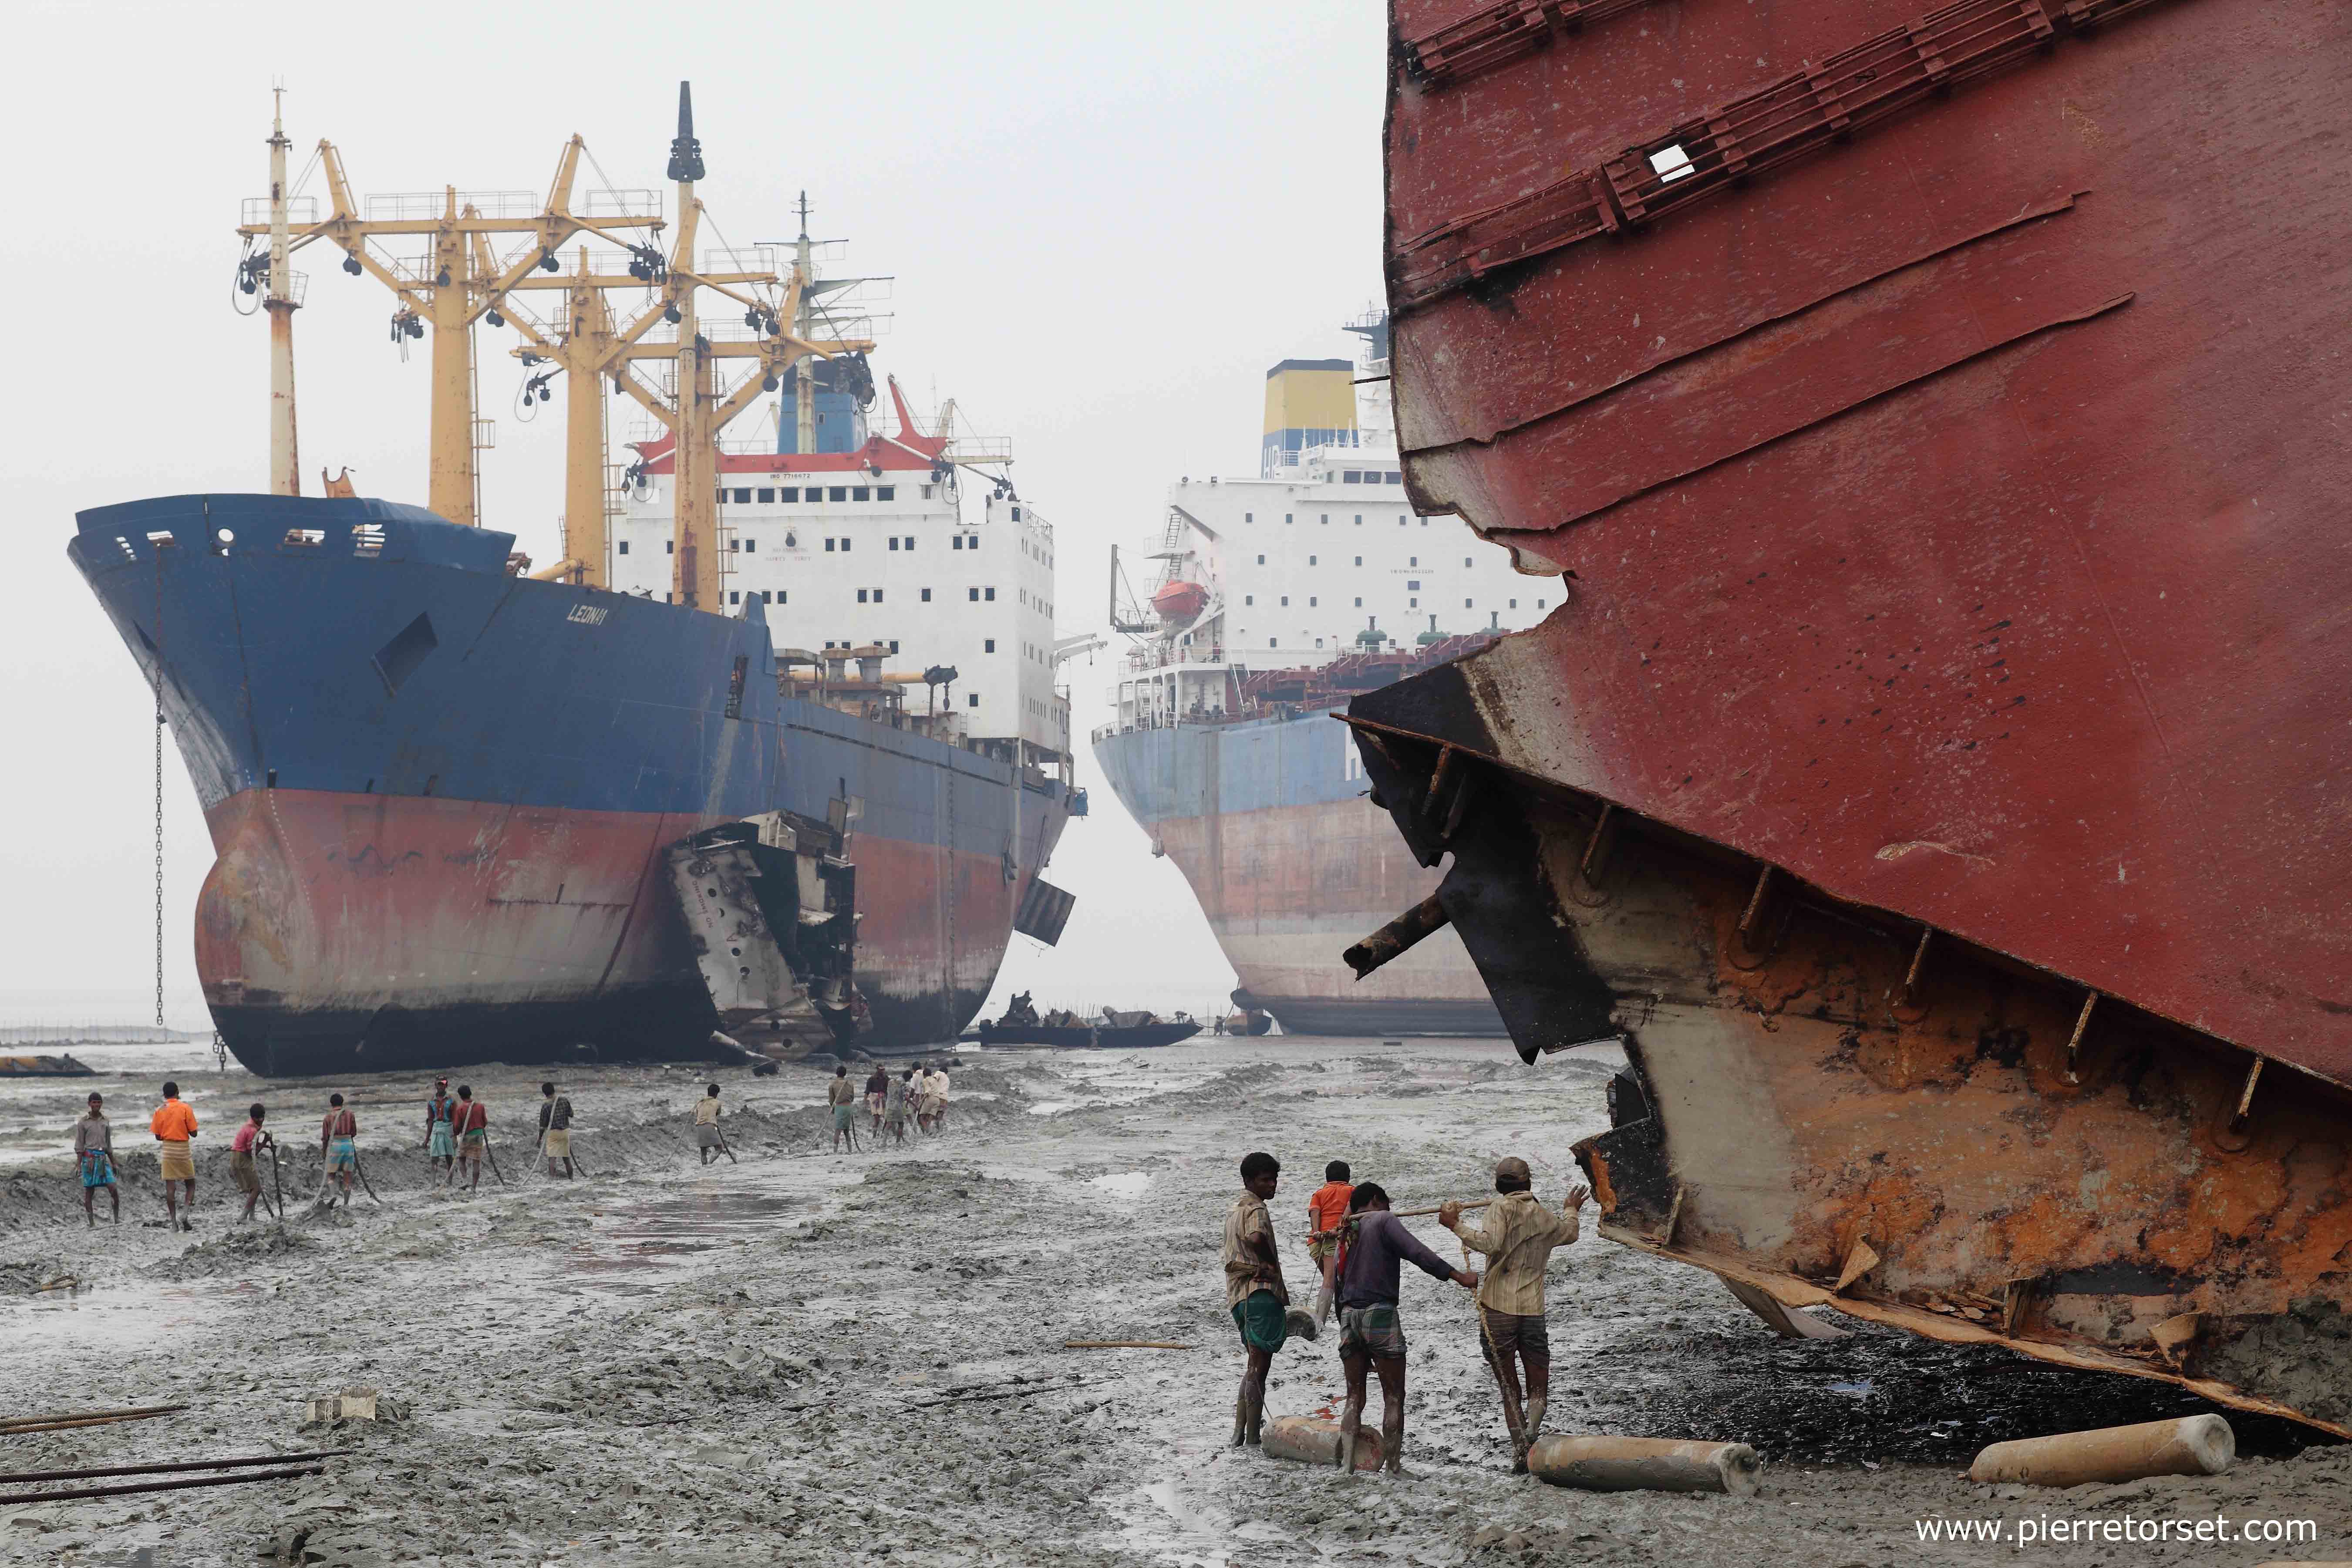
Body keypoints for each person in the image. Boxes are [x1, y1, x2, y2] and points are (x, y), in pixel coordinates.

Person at [1442, 1160, 1587, 1473]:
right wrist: (1571, 1208)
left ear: (1498, 1185)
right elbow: (1571, 1232)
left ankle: (1521, 1450)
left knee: (1510, 1387)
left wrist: (1454, 1224)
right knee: (1538, 1389)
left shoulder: (1500, 1207)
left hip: (1498, 1308)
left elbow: (1489, 1243)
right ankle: (1532, 1433)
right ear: (1529, 1183)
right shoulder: (1546, 1218)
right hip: (1533, 1310)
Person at [1329, 1182, 1479, 1476]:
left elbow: (1337, 1282)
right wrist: (1459, 1276)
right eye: (1387, 1202)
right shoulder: (1383, 1220)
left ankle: (1347, 1465)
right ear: (1375, 1200)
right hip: (1380, 1313)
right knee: (1394, 1395)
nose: (1390, 1208)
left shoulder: (1345, 1231)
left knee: (1354, 1395)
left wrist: (1347, 1329)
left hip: (1348, 1316)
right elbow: (1418, 1253)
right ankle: (1394, 1468)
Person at [1223, 1151, 1288, 1447]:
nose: (1272, 1185)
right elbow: (1256, 1237)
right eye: (1265, 1180)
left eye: (1274, 1179)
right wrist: (1270, 1265)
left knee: (1253, 1365)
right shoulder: (1256, 1209)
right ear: (1250, 1181)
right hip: (1260, 1293)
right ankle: (1249, 1438)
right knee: (1259, 1369)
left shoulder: (1234, 1208)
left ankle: (1240, 1434)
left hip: (1238, 1297)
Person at [1305, 1160, 1355, 1321]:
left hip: (1315, 1242)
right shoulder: (1352, 1190)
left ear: (1327, 1178)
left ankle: (1326, 1318)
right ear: (1348, 1177)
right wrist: (1339, 1227)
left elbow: (1315, 1212)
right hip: (1335, 1240)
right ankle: (1319, 1322)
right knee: (1330, 1282)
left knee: (1333, 1281)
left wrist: (1317, 1232)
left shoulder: (1319, 1194)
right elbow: (1349, 1209)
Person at [150, 1081, 199, 1231]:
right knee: (190, 1184)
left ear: (164, 1095)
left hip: (168, 1150)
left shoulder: (159, 1110)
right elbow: (194, 1133)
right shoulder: (186, 1108)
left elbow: (158, 1137)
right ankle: (185, 1213)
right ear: (178, 1093)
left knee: (170, 1188)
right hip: (183, 1149)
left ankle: (173, 1224)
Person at [74, 1092, 118, 1228]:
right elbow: (80, 1145)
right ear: (89, 1104)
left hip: (102, 1159)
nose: (96, 1105)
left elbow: (108, 1144)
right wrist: (79, 1165)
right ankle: (91, 1223)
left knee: (113, 1188)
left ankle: (117, 1220)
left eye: (99, 1102)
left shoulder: (106, 1121)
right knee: (89, 1191)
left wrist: (114, 1162)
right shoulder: (83, 1123)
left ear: (101, 1104)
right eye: (94, 1102)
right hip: (89, 1160)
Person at [230, 1103, 273, 1223]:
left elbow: (253, 1148)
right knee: (257, 1189)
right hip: (242, 1157)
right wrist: (265, 1142)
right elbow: (252, 1153)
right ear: (253, 1118)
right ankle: (243, 1217)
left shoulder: (250, 1127)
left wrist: (266, 1144)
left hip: (238, 1155)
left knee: (253, 1187)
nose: (261, 1120)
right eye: (259, 1118)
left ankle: (252, 1217)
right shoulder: (252, 1130)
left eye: (263, 1117)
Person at [319, 1093, 359, 1207]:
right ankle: (346, 1204)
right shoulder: (350, 1115)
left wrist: (324, 1152)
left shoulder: (328, 1118)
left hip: (335, 1146)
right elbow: (354, 1133)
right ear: (342, 1103)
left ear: (331, 1104)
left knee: (331, 1175)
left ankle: (333, 1195)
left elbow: (325, 1138)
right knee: (348, 1175)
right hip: (348, 1146)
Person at [451, 1085, 488, 1190]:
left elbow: (457, 1127)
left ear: (461, 1096)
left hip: (467, 1137)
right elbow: (485, 1123)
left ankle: (466, 1181)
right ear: (470, 1093)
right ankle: (474, 1188)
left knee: (462, 1159)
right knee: (476, 1161)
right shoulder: (480, 1107)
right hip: (478, 1136)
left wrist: (455, 1134)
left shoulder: (461, 1109)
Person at [539, 1083, 576, 1179]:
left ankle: (551, 1179)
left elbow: (543, 1125)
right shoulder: (564, 1100)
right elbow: (571, 1114)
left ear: (545, 1094)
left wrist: (539, 1139)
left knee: (552, 1158)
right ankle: (571, 1179)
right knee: (566, 1158)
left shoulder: (546, 1105)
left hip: (553, 1133)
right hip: (564, 1132)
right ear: (554, 1090)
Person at [422, 1078, 457, 1177]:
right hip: (436, 1128)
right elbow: (430, 1120)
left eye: (443, 1084)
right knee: (434, 1158)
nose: (441, 1087)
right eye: (439, 1084)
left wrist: (455, 1137)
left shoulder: (452, 1101)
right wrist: (427, 1139)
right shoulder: (431, 1102)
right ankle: (433, 1184)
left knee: (449, 1157)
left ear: (446, 1086)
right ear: (436, 1085)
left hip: (448, 1128)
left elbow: (455, 1120)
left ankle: (450, 1183)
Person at [826, 1064, 859, 1153]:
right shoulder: (850, 1084)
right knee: (847, 1131)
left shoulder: (833, 1085)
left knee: (837, 1130)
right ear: (845, 1074)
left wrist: (833, 1110)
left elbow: (831, 1101)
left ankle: (835, 1152)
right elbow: (852, 1098)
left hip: (840, 1107)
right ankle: (850, 1151)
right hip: (848, 1107)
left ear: (837, 1074)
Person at [694, 1083, 726, 1165]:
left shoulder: (700, 1102)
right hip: (710, 1126)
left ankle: (704, 1167)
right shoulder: (717, 1103)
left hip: (699, 1127)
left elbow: (697, 1114)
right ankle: (710, 1164)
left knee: (703, 1151)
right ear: (716, 1094)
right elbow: (718, 1114)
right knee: (719, 1148)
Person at [881, 1069, 910, 1147]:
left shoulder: (891, 1082)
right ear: (908, 1079)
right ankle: (898, 1143)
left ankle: (883, 1142)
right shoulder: (904, 1084)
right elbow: (906, 1097)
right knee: (901, 1124)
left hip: (889, 1106)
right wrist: (916, 1105)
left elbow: (887, 1093)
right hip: (898, 1107)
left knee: (888, 1124)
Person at [863, 1064, 890, 1135]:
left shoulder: (886, 1078)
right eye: (881, 1070)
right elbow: (867, 1091)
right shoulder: (872, 1079)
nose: (882, 1071)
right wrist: (865, 1101)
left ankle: (884, 1133)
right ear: (877, 1069)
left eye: (883, 1069)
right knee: (877, 1118)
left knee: (886, 1117)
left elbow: (888, 1089)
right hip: (874, 1099)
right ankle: (875, 1134)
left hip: (883, 1098)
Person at [927, 1063, 951, 1133]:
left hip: (938, 1097)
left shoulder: (939, 1073)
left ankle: (931, 1131)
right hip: (945, 1098)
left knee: (933, 1115)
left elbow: (934, 1080)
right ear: (947, 1073)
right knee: (940, 1116)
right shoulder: (948, 1079)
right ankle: (940, 1132)